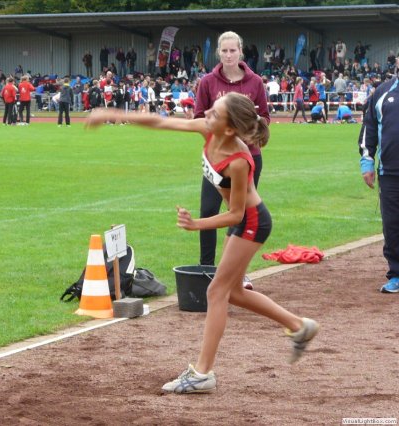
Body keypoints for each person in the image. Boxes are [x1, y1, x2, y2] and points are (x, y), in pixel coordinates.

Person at [85, 93, 319, 394]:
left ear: (230, 129)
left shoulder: (239, 161)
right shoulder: (208, 130)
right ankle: (300, 326)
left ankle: (203, 373)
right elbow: (161, 122)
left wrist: (197, 224)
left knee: (216, 291)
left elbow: (237, 214)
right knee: (233, 292)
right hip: (244, 222)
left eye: (214, 113)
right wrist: (113, 114)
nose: (206, 113)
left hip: (252, 222)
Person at [193, 31, 270, 289]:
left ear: (240, 52)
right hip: (217, 159)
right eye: (224, 51)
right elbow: (199, 117)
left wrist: (244, 134)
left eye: (233, 50)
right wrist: (219, 135)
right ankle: (206, 268)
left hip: (246, 159)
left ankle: (237, 271)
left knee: (241, 215)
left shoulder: (255, 82)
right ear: (218, 53)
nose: (228, 55)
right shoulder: (207, 82)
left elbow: (264, 118)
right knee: (208, 210)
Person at [360, 59, 399, 293]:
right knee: (392, 225)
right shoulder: (383, 92)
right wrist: (367, 163)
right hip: (390, 172)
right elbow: (369, 128)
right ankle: (396, 274)